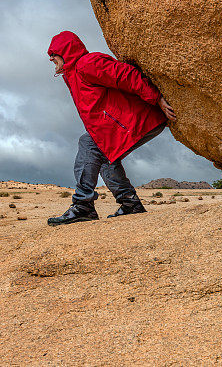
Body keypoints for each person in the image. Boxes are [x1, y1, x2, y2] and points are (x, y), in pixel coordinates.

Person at [45, 30, 176, 226]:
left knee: (88, 143)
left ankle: (83, 205)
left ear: (65, 52)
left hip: (136, 120)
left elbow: (126, 75)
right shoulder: (72, 75)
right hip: (122, 126)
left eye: (54, 54)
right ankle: (129, 204)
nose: (51, 59)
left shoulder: (87, 63)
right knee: (105, 154)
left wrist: (156, 98)